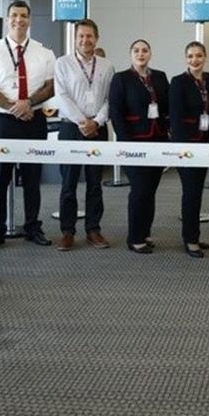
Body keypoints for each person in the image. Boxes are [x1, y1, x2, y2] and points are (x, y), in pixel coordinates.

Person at [0, 0, 57, 251]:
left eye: (23, 15)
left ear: (29, 20)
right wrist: (14, 107)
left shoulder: (44, 52)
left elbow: (51, 86)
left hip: (33, 120)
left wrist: (28, 103)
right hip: (1, 122)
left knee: (32, 178)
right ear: (7, 19)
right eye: (14, 15)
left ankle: (33, 227)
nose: (18, 20)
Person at [53, 19, 116, 251]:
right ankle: (67, 231)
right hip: (71, 127)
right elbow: (62, 96)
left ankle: (93, 230)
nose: (85, 40)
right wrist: (82, 122)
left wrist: (96, 121)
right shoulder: (63, 63)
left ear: (96, 39)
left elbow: (110, 99)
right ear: (75, 38)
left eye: (89, 36)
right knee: (68, 182)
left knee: (95, 182)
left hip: (98, 128)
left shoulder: (107, 66)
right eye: (81, 36)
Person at [109, 39, 170, 254]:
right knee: (139, 189)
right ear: (130, 55)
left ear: (150, 54)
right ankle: (134, 237)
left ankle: (145, 232)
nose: (140, 54)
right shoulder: (121, 78)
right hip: (133, 142)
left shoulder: (160, 77)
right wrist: (125, 143)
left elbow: (166, 108)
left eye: (145, 50)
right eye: (136, 50)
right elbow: (116, 113)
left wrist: (169, 132)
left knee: (151, 189)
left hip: (157, 140)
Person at [168, 41, 209, 258]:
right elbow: (175, 117)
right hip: (186, 145)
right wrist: (183, 148)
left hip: (205, 142)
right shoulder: (178, 82)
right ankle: (190, 240)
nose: (194, 60)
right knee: (190, 192)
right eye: (190, 56)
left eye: (198, 55)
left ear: (205, 57)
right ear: (185, 59)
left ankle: (194, 235)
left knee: (197, 190)